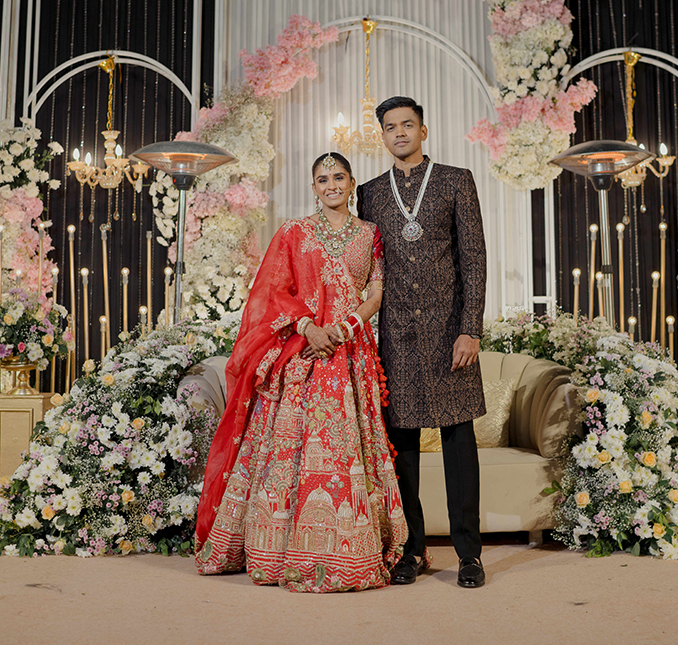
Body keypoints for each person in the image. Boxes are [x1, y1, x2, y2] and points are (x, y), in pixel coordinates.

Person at [194, 151, 407, 593]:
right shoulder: (295, 232)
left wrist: (346, 327)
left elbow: (376, 292)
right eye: (323, 179)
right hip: (302, 352)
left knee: (347, 447)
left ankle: (349, 549)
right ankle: (278, 550)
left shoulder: (370, 233)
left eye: (339, 177)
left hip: (351, 353)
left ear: (352, 183)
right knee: (289, 450)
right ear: (313, 188)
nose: (331, 185)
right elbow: (274, 290)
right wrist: (310, 328)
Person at [357, 95, 487, 589]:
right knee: (402, 449)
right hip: (396, 337)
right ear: (383, 136)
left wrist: (470, 328)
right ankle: (410, 550)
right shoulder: (370, 192)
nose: (399, 133)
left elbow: (474, 259)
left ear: (423, 131)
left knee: (459, 446)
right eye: (390, 127)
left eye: (407, 125)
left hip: (451, 334)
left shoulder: (456, 180)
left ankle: (469, 555)